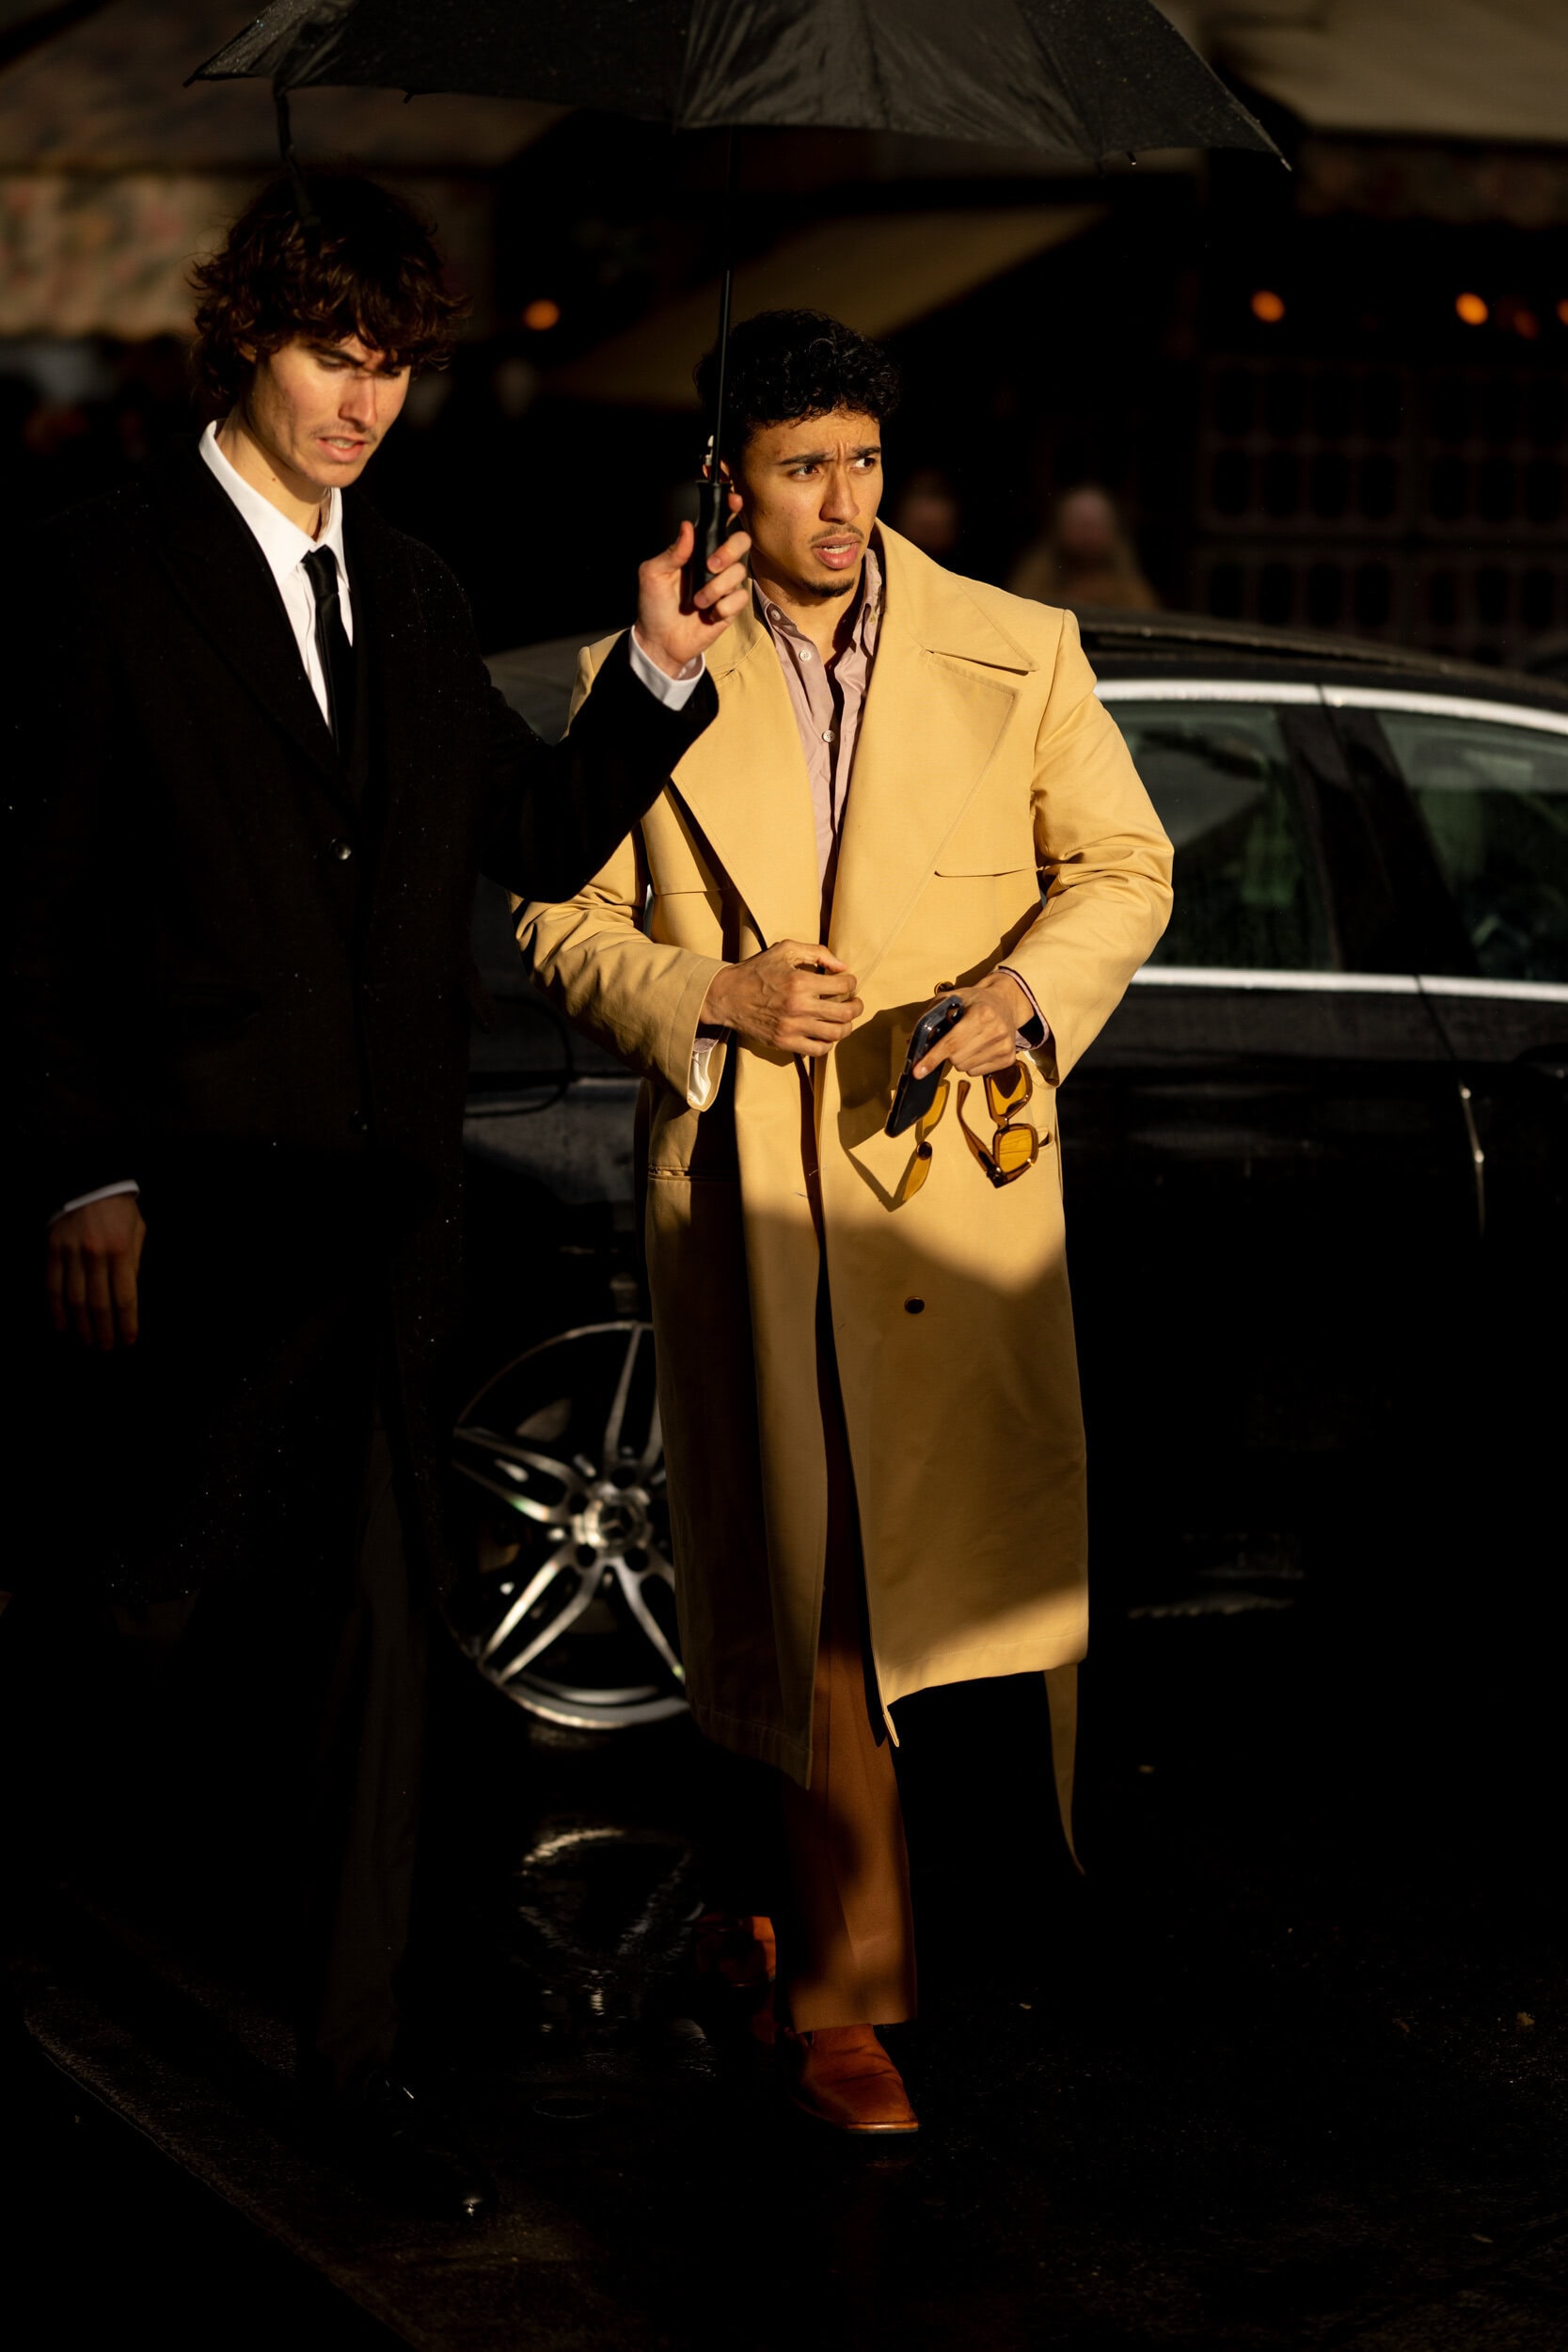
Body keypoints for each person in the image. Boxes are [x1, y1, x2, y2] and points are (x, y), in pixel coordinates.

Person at [4, 168, 749, 2217]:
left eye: (396, 367)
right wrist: (80, 1166)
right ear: (244, 338)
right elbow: (28, 910)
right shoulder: (94, 574)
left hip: (382, 1222)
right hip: (182, 1216)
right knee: (127, 1624)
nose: (363, 401)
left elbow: (528, 829)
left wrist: (655, 669)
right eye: (335, 356)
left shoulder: (412, 594)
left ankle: (353, 2077)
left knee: (378, 1658)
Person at [518, 310, 1173, 2135]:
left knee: (906, 1600)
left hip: (941, 1185)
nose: (840, 501)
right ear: (725, 481)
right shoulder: (642, 668)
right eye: (800, 467)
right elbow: (551, 913)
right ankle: (841, 1995)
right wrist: (706, 993)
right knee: (809, 1594)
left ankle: (771, 1932)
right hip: (750, 1189)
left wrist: (1021, 992)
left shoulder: (1019, 648)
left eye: (862, 463)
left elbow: (1124, 865)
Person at [1008, 482, 1160, 612]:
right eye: (1078, 524)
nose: (1087, 534)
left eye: (1095, 526)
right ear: (1059, 527)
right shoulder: (1038, 573)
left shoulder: (1127, 579)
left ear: (1113, 530)